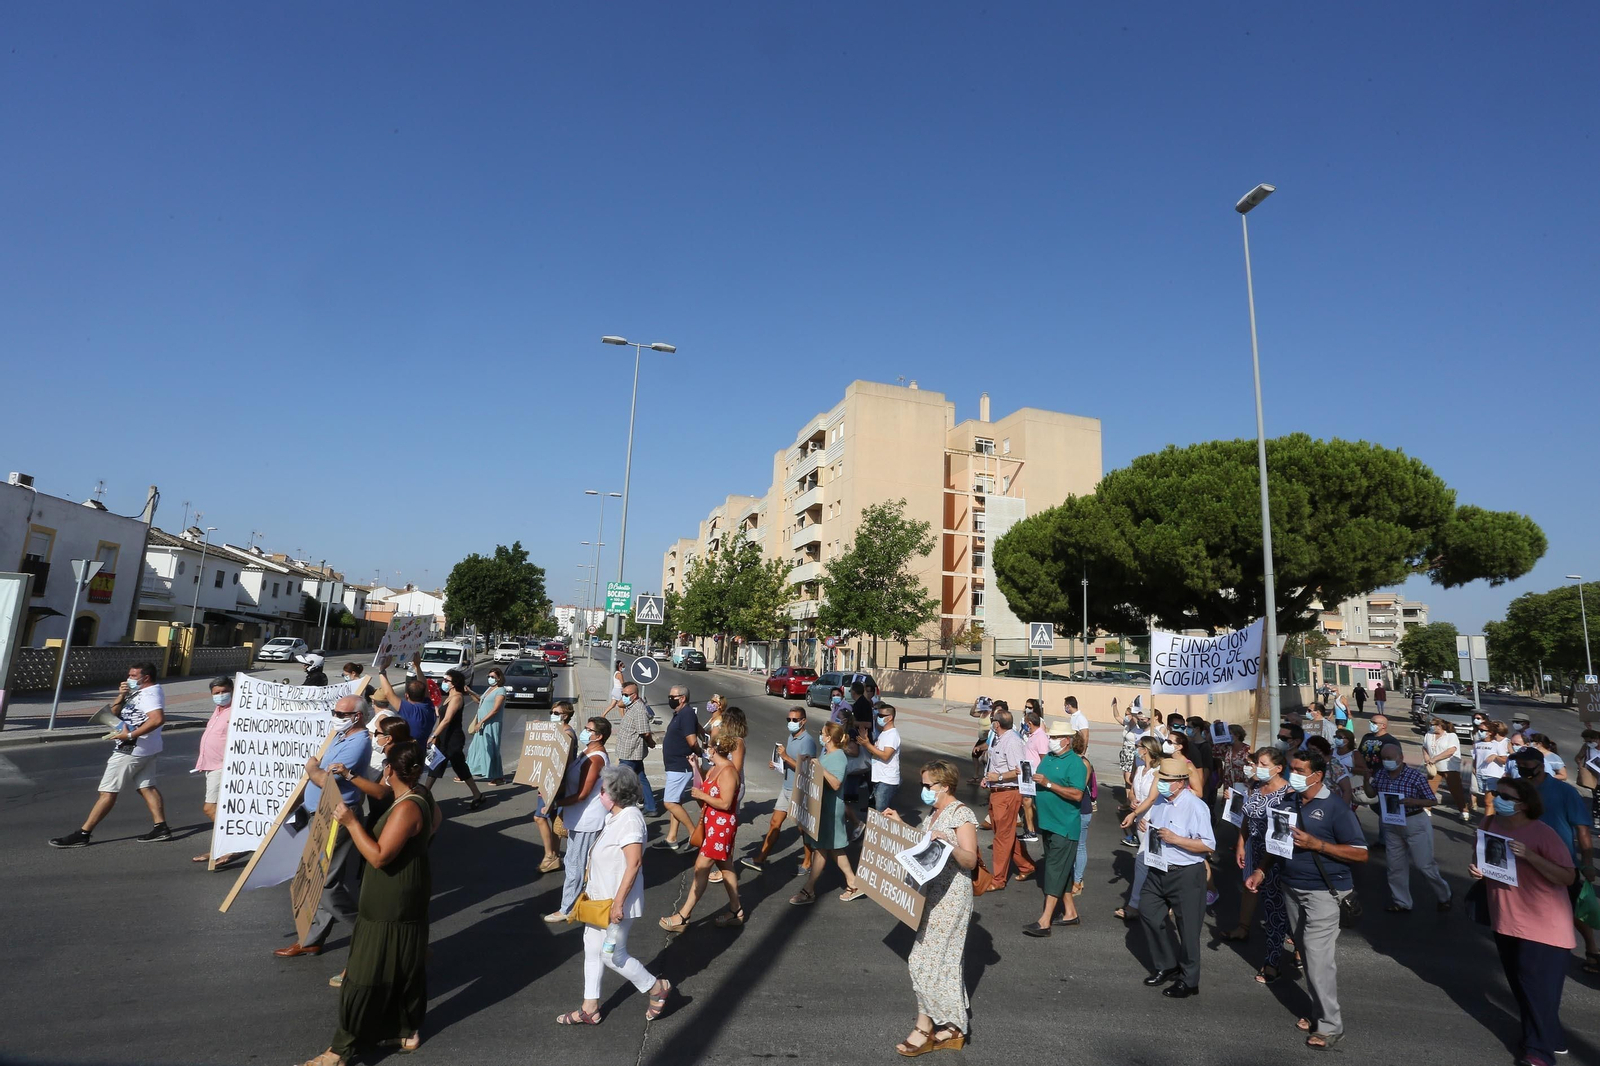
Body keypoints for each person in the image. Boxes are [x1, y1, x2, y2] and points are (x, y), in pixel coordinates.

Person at [297, 741, 441, 1066]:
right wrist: (417, 848)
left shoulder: (406, 808)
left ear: (389, 770)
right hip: (410, 887)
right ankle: (407, 1031)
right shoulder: (420, 794)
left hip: (391, 896)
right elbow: (436, 822)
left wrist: (351, 823)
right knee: (405, 961)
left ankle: (340, 1050)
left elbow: (378, 857)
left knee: (363, 971)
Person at [1248, 749, 1368, 1049]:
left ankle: (1330, 1026)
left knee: (1316, 957)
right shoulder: (1288, 801)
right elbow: (1276, 843)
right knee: (1306, 951)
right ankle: (1317, 1014)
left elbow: (1361, 853)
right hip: (1291, 888)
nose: (1293, 775)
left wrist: (1319, 845)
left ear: (1317, 775)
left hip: (1324, 894)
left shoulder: (1336, 808)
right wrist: (1261, 871)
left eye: (1299, 770)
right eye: (1291, 769)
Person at [1470, 776, 1576, 1066]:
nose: (1498, 799)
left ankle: (1539, 1053)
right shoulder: (1489, 824)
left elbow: (1567, 876)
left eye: (1507, 796)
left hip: (1544, 924)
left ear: (1525, 804)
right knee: (1523, 986)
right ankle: (1551, 1036)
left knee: (1534, 987)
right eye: (1497, 793)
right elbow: (1482, 859)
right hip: (1505, 920)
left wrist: (1529, 855)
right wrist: (1478, 870)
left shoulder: (1543, 834)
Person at [556, 766, 672, 1026]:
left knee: (612, 955)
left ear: (616, 794)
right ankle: (590, 1008)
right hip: (600, 903)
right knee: (592, 949)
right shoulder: (615, 817)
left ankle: (656, 987)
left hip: (615, 905)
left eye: (603, 790)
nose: (599, 794)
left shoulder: (630, 820)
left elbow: (634, 863)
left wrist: (618, 903)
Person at [882, 760, 979, 1054]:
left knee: (922, 960)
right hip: (931, 894)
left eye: (928, 786)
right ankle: (953, 1027)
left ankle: (924, 1027)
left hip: (952, 897)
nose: (924, 790)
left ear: (945, 786)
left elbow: (970, 860)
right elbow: (923, 842)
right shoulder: (934, 812)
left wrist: (947, 845)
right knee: (944, 963)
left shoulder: (961, 814)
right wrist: (901, 825)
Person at [276, 695, 375, 958]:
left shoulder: (358, 743)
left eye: (342, 714)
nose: (336, 717)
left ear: (358, 717)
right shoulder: (340, 738)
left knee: (326, 882)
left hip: (337, 815)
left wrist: (310, 767)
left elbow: (324, 780)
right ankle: (312, 938)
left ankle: (370, 931)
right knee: (315, 877)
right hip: (317, 814)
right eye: (335, 712)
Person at [51, 662, 170, 848]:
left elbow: (158, 719)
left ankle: (84, 833)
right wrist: (122, 694)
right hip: (146, 748)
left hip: (130, 749)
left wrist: (130, 735)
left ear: (145, 678)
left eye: (132, 676)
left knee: (107, 791)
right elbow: (113, 712)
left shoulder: (150, 694)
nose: (128, 678)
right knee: (147, 787)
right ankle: (161, 828)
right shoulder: (139, 692)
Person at [1508, 746, 1598, 975]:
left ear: (1540, 766)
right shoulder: (1516, 790)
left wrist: (1587, 863)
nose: (1521, 769)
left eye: (1526, 765)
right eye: (1518, 765)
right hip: (1521, 858)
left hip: (1559, 863)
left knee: (1572, 909)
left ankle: (1592, 949)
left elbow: (1582, 829)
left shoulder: (1564, 792)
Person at [1135, 757, 1215, 997]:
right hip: (1158, 869)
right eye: (1161, 778)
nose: (1161, 783)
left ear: (1180, 783)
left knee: (1188, 930)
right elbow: (1155, 826)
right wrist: (1145, 824)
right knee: (1148, 912)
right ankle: (1167, 964)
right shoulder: (1160, 801)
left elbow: (1208, 845)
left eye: (1167, 780)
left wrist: (1176, 839)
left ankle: (1190, 981)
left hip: (1186, 874)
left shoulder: (1196, 806)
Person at [659, 730, 746, 929]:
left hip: (721, 827)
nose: (706, 750)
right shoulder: (716, 768)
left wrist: (702, 796)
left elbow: (725, 803)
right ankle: (736, 910)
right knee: (726, 867)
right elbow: (705, 786)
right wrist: (696, 768)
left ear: (714, 749)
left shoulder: (728, 772)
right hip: (712, 824)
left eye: (708, 747)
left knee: (701, 868)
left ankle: (683, 915)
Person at [1225, 748, 1292, 984]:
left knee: (1276, 909)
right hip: (1255, 851)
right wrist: (1242, 843)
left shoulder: (1288, 794)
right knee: (1271, 905)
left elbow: (1283, 835)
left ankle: (1272, 962)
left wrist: (1263, 865)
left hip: (1276, 858)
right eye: (1258, 763)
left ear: (1278, 768)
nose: (1258, 768)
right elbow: (1246, 817)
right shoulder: (1255, 788)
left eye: (1263, 764)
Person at [1363, 741, 1451, 913]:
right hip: (1391, 822)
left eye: (1389, 758)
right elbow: (1371, 794)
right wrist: (1367, 780)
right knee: (1395, 865)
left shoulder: (1415, 776)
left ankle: (1444, 895)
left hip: (1414, 821)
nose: (1386, 761)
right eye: (1384, 758)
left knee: (1424, 864)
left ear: (1401, 758)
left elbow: (1432, 800)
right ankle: (1401, 901)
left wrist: (1415, 801)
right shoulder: (1381, 775)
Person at [786, 721, 866, 906]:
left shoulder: (839, 757)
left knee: (829, 848)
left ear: (829, 737)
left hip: (831, 810)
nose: (820, 736)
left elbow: (836, 783)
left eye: (822, 733)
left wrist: (818, 767)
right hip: (822, 808)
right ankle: (850, 883)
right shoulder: (827, 754)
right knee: (827, 848)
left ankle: (810, 889)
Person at [1025, 716, 1088, 936]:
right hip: (1048, 823)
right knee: (1061, 870)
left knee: (1053, 870)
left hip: (1065, 825)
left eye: (1054, 737)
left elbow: (1077, 794)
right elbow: (1039, 777)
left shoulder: (1076, 764)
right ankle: (1070, 912)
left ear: (1066, 740)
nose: (1050, 740)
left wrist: (1048, 784)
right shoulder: (1049, 758)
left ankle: (1045, 921)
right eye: (1050, 736)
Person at [547, 717, 611, 923]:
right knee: (573, 861)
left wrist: (557, 803)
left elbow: (583, 793)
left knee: (575, 864)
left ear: (599, 736)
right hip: (578, 816)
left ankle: (567, 908)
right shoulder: (587, 753)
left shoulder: (596, 758)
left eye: (588, 729)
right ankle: (575, 901)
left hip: (588, 819)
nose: (584, 732)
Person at [741, 705, 820, 873]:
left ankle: (808, 862)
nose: (791, 723)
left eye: (795, 720)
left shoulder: (807, 742)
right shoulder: (792, 737)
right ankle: (760, 858)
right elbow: (790, 764)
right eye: (789, 720)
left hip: (800, 790)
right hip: (786, 787)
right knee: (774, 823)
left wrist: (785, 757)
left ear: (803, 721)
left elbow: (806, 769)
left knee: (802, 829)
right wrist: (779, 764)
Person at [982, 707, 1036, 889]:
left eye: (992, 721)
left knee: (1001, 839)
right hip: (997, 792)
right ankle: (1026, 866)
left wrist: (997, 777)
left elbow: (1018, 770)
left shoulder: (1012, 741)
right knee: (1005, 835)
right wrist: (989, 778)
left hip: (1007, 794)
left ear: (996, 724)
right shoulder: (1000, 739)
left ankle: (998, 880)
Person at [192, 675, 241, 865]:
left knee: (210, 808)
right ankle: (221, 848)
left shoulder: (236, 711)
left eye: (224, 692)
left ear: (233, 691)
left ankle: (231, 847)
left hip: (224, 766)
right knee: (224, 810)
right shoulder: (219, 710)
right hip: (212, 766)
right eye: (216, 693)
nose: (220, 696)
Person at [1115, 736, 1164, 920]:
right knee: (1155, 864)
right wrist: (1132, 801)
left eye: (1138, 746)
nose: (1136, 749)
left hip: (1153, 821)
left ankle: (1134, 905)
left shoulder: (1158, 772)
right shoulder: (1141, 769)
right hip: (1140, 822)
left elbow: (1152, 798)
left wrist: (1134, 814)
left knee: (1143, 862)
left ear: (1146, 749)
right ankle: (1164, 901)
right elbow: (1133, 792)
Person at [423, 669, 485, 810]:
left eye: (446, 680)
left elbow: (447, 720)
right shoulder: (449, 697)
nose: (443, 682)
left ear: (453, 683)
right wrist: (435, 734)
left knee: (459, 766)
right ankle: (425, 794)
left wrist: (433, 736)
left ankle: (477, 795)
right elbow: (441, 719)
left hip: (453, 738)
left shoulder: (457, 697)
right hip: (444, 737)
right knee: (435, 764)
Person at [533, 701, 578, 874]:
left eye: (556, 712)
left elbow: (563, 762)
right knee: (552, 817)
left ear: (565, 715)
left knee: (540, 817)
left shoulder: (567, 734)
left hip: (555, 782)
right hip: (550, 780)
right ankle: (555, 856)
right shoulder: (558, 730)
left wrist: (553, 783)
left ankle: (550, 855)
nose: (552, 714)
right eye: (551, 711)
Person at [658, 685, 701, 852]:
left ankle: (694, 834)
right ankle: (672, 838)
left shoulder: (687, 714)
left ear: (682, 698)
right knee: (675, 801)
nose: (670, 698)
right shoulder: (680, 713)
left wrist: (699, 753)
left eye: (673, 696)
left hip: (680, 766)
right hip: (674, 765)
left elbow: (692, 740)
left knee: (669, 802)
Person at [372, 654, 437, 756]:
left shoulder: (411, 711)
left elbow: (389, 694)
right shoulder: (428, 706)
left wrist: (382, 670)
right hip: (420, 753)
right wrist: (417, 666)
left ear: (406, 696)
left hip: (407, 755)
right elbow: (424, 687)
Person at [613, 681, 661, 817]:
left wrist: (651, 743)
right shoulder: (631, 706)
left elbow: (644, 732)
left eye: (626, 695)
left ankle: (620, 810)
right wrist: (624, 697)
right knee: (641, 779)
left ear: (634, 695)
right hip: (628, 751)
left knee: (621, 782)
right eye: (622, 694)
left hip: (631, 753)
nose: (624, 697)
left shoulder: (639, 710)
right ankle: (651, 807)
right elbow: (620, 704)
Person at [466, 666, 506, 785]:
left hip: (491, 724)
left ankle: (498, 776)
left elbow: (495, 710)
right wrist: (470, 692)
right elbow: (480, 700)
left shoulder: (501, 690)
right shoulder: (490, 689)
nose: (490, 678)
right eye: (489, 676)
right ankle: (469, 772)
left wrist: (481, 722)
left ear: (499, 678)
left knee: (492, 748)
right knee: (476, 747)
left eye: (492, 677)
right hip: (483, 723)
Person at [858, 704, 902, 812]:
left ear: (890, 717)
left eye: (881, 715)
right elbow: (876, 751)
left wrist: (867, 744)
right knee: (879, 811)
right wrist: (866, 743)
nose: (878, 717)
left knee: (881, 812)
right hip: (880, 777)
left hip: (887, 780)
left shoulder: (892, 735)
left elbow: (885, 755)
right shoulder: (884, 733)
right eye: (877, 715)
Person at [1423, 717, 1468, 821]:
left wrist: (1435, 758)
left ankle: (1464, 810)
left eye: (1433, 725)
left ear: (1440, 726)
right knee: (1429, 788)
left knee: (1455, 790)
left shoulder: (1451, 736)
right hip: (1434, 767)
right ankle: (1426, 808)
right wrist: (1427, 757)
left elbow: (1451, 751)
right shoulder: (1428, 735)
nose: (1431, 727)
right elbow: (1424, 747)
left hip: (1449, 767)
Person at [1018, 708, 1049, 842]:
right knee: (1026, 801)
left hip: (1034, 775)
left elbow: (1044, 758)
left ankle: (1040, 828)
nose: (1025, 726)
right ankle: (1030, 831)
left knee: (1035, 803)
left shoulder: (1040, 736)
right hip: (1027, 773)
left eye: (1026, 723)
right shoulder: (1032, 735)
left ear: (1030, 723)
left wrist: (1040, 775)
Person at [1473, 719, 1511, 819]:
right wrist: (1474, 768)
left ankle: (1486, 826)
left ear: (1490, 732)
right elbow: (1476, 758)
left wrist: (1495, 756)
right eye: (1479, 729)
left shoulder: (1497, 744)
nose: (1479, 731)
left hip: (1493, 775)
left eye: (1482, 730)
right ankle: (1494, 821)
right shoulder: (1477, 744)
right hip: (1480, 774)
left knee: (1488, 802)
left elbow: (1505, 760)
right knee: (1491, 802)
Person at [1118, 698, 1151, 801]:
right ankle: (1131, 801)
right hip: (1136, 762)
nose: (1140, 721)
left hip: (1146, 765)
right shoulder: (1137, 729)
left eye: (1143, 719)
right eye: (1139, 719)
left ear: (1149, 720)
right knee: (1131, 780)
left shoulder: (1151, 733)